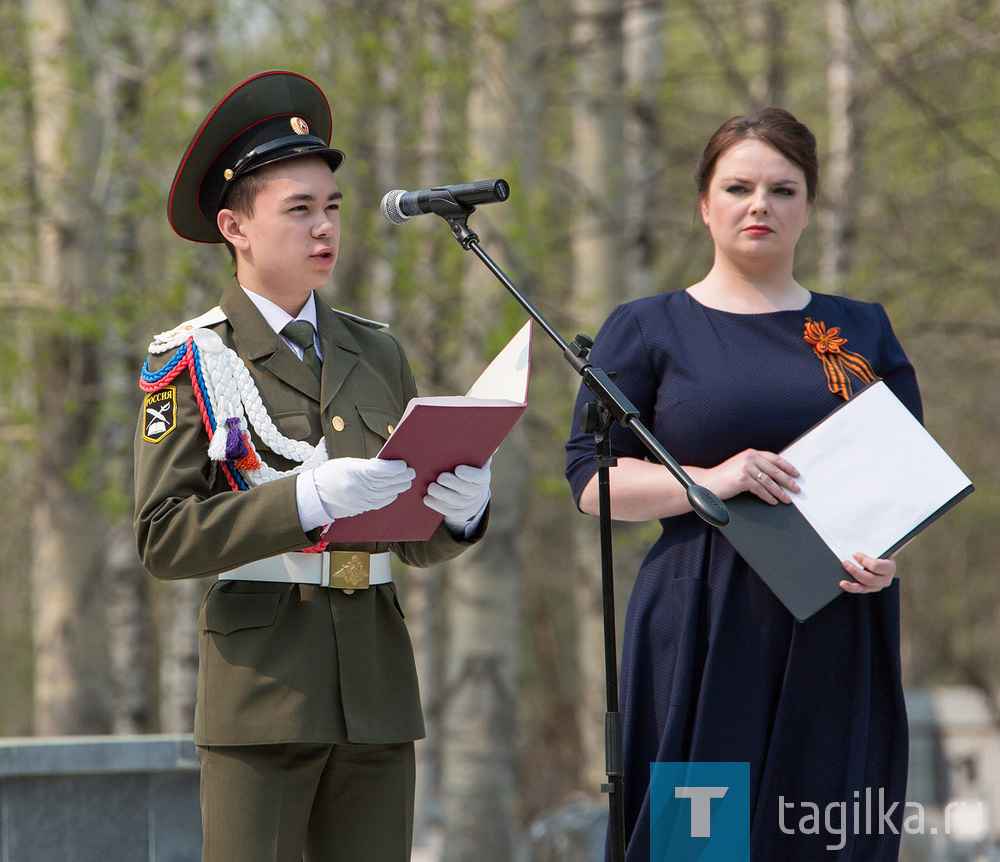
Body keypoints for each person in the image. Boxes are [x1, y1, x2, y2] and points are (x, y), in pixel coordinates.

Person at [134, 70, 491, 862]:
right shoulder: (192, 357)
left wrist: (458, 512)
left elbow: (407, 538)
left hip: (376, 689)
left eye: (332, 208)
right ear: (235, 226)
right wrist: (299, 501)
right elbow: (162, 539)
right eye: (298, 210)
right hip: (263, 690)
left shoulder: (378, 351)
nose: (325, 228)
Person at [565, 107, 920, 860]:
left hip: (838, 621)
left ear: (809, 206)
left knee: (825, 833)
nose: (760, 205)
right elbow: (591, 478)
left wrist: (888, 557)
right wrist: (710, 480)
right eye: (739, 187)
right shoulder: (648, 326)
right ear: (704, 203)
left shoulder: (865, 330)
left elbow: (904, 481)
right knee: (700, 842)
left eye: (783, 189)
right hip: (704, 620)